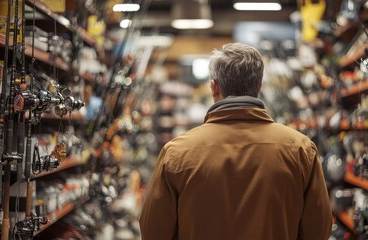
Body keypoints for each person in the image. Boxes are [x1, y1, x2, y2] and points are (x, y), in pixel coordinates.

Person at [139, 43, 332, 240]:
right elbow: (318, 231)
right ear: (259, 87)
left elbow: (153, 232)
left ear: (214, 87)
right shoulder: (300, 150)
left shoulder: (176, 153)